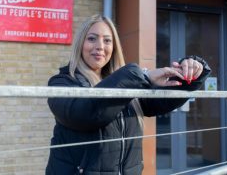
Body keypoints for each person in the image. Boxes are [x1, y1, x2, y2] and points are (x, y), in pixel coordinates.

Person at [46, 14, 211, 175]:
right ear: (80, 44)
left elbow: (163, 101)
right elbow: (85, 114)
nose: (100, 46)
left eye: (107, 40)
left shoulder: (126, 82)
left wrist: (192, 71)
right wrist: (140, 75)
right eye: (92, 39)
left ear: (114, 47)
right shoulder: (62, 82)